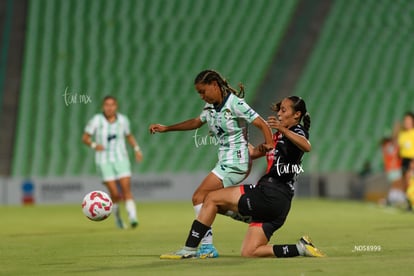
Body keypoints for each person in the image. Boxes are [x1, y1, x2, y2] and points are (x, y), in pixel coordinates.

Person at [160, 96, 325, 259]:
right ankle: (300, 248)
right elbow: (252, 153)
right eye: (279, 110)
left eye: (284, 110)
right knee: (250, 251)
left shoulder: (297, 130)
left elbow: (306, 146)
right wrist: (234, 136)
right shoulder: (277, 138)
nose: (279, 114)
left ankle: (189, 249)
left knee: (210, 198)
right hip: (279, 204)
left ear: (297, 115)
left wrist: (282, 129)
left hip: (271, 193)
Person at [149, 69, 274, 258]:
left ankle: (203, 248)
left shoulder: (235, 103)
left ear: (215, 85)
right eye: (198, 93)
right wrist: (166, 128)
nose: (201, 96)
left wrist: (270, 144)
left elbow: (262, 124)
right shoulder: (210, 108)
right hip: (225, 161)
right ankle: (248, 215)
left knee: (199, 196)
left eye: (202, 91)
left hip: (235, 163)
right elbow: (195, 122)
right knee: (211, 202)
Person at [82, 95, 143, 229]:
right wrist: (94, 145)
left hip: (121, 158)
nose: (109, 107)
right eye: (107, 105)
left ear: (116, 106)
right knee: (115, 194)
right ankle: (118, 218)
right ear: (103, 107)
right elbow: (85, 138)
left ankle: (133, 217)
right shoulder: (96, 120)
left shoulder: (123, 120)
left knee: (126, 189)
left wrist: (137, 149)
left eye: (112, 105)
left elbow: (129, 135)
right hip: (104, 160)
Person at [394, 112, 414, 192]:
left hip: (412, 160)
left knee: (409, 179)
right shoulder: (402, 134)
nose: (406, 122)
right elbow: (396, 145)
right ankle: (409, 201)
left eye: (408, 120)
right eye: (405, 120)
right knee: (405, 182)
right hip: (403, 159)